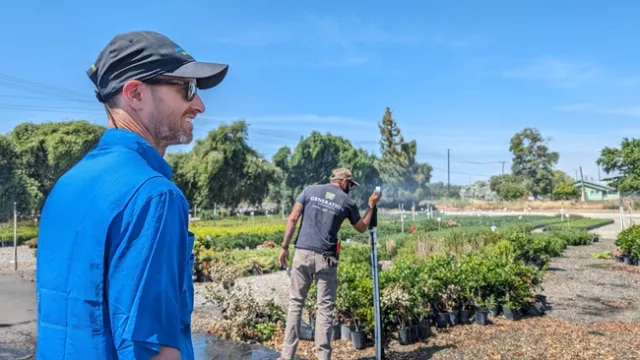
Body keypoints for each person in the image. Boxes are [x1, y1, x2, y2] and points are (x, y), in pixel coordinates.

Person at [35, 30, 228, 360]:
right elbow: (151, 349)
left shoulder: (67, 186)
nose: (199, 105)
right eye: (187, 89)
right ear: (136, 94)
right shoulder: (154, 197)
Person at [278, 168, 382, 360]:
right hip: (327, 258)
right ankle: (323, 358)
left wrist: (284, 247)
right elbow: (361, 227)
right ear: (343, 182)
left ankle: (286, 356)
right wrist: (371, 206)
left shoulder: (309, 190)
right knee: (325, 308)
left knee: (295, 304)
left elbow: (292, 218)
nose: (350, 189)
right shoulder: (347, 202)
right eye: (350, 185)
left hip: (302, 252)